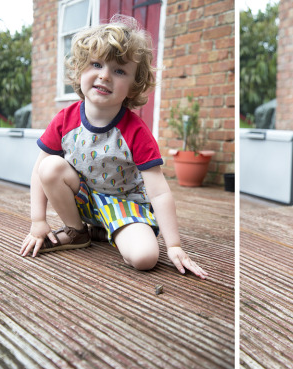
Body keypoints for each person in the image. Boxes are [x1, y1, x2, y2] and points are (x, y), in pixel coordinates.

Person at [20, 15, 208, 280]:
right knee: (49, 166)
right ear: (80, 70)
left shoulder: (136, 131)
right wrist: (38, 221)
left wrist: (174, 245)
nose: (105, 76)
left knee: (145, 258)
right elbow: (38, 171)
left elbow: (159, 193)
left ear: (133, 85)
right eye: (96, 64)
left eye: (119, 71)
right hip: (83, 198)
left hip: (124, 203)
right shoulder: (65, 119)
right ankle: (77, 231)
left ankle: (105, 229)